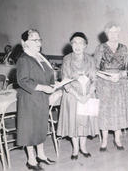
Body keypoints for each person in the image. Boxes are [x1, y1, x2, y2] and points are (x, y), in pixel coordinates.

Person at [16, 29, 56, 170]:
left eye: (39, 40)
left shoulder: (41, 57)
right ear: (25, 43)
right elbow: (22, 81)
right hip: (29, 98)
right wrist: (43, 87)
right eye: (35, 40)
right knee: (29, 129)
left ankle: (41, 155)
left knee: (40, 127)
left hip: (41, 98)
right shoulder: (23, 59)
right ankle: (31, 160)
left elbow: (49, 74)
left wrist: (53, 84)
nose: (38, 43)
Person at [57, 32, 99, 160]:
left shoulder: (91, 59)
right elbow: (65, 81)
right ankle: (75, 149)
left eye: (81, 42)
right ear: (71, 45)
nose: (77, 45)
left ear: (85, 45)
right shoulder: (66, 59)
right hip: (72, 96)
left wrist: (88, 94)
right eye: (74, 42)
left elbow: (94, 79)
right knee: (73, 123)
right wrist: (78, 96)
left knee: (85, 122)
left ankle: (83, 147)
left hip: (88, 95)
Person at [94, 22, 128, 151]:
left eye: (116, 32)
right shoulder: (100, 48)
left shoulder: (124, 48)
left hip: (120, 85)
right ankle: (104, 141)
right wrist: (107, 77)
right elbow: (95, 69)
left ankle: (117, 139)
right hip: (104, 85)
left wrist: (119, 75)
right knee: (105, 113)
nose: (114, 35)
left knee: (118, 111)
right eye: (111, 32)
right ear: (106, 34)